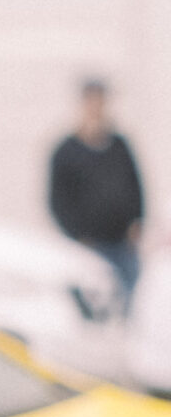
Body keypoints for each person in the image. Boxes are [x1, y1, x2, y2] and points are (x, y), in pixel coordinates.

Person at [49, 77, 145, 310]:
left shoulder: (119, 145)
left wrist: (137, 221)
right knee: (92, 309)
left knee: (127, 307)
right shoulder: (66, 151)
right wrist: (77, 234)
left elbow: (136, 186)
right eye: (92, 102)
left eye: (101, 102)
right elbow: (57, 200)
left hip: (122, 245)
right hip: (88, 246)